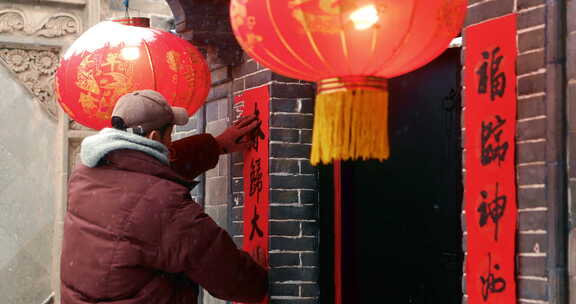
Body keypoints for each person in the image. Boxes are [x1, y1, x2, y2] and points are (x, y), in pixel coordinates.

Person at [60, 90, 267, 304]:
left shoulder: (85, 175)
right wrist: (256, 279)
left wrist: (216, 145)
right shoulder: (165, 206)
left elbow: (146, 172)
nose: (170, 144)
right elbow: (223, 270)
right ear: (154, 138)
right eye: (170, 135)